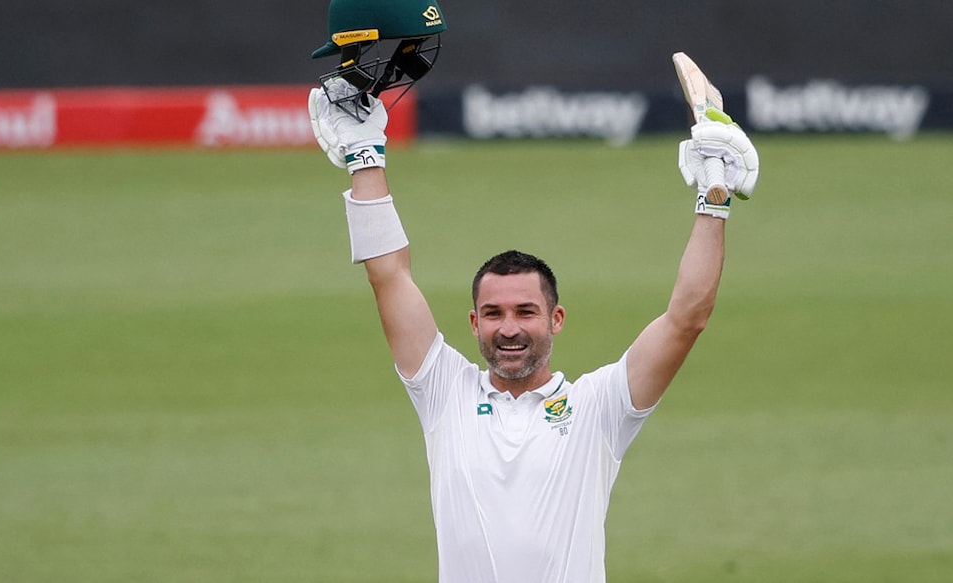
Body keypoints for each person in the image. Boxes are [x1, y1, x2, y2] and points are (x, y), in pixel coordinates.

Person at [307, 4, 759, 582]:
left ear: (557, 319)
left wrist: (713, 198)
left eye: (526, 311)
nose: (510, 327)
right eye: (493, 313)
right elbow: (388, 275)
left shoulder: (600, 408)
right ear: (473, 324)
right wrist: (364, 158)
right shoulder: (444, 391)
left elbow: (685, 319)